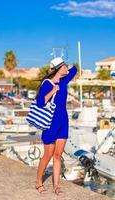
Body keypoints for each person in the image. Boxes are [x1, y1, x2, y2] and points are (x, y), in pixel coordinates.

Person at [34, 57, 77, 195]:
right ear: (58, 69)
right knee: (48, 155)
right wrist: (53, 90)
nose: (66, 68)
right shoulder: (47, 83)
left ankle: (56, 186)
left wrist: (66, 64)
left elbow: (75, 69)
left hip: (63, 123)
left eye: (65, 66)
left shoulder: (64, 81)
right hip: (50, 123)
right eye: (64, 67)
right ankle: (38, 182)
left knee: (58, 155)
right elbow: (40, 103)